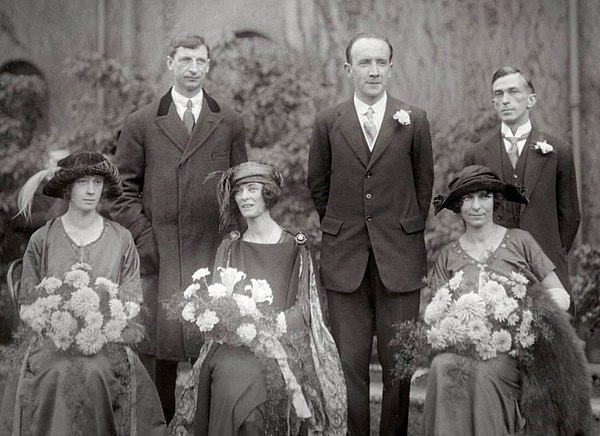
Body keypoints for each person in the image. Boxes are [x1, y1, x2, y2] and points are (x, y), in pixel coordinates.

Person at [111, 33, 247, 421]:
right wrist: (144, 238)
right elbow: (121, 190)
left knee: (213, 355)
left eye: (200, 61)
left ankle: (208, 427)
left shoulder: (228, 122)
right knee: (159, 361)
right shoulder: (142, 122)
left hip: (213, 256)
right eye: (185, 60)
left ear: (208, 66)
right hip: (161, 257)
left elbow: (239, 188)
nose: (193, 69)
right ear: (170, 62)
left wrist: (232, 244)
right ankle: (158, 429)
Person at [308, 32, 433, 435]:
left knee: (399, 365)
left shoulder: (414, 120)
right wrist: (347, 228)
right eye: (364, 63)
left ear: (391, 67)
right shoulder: (329, 122)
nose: (374, 70)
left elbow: (422, 185)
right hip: (346, 260)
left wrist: (397, 232)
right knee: (350, 364)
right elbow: (319, 185)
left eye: (381, 62)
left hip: (399, 259)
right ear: (348, 70)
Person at [169, 162, 347, 435]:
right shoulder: (230, 246)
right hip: (233, 347)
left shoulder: (294, 246)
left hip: (281, 348)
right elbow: (217, 306)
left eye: (252, 189)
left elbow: (305, 310)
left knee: (254, 401)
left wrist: (268, 327)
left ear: (269, 194)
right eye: (239, 191)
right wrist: (236, 324)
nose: (244, 197)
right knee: (229, 376)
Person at [0, 151, 167, 435]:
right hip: (53, 343)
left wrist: (106, 325)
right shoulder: (43, 239)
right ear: (68, 188)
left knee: (96, 373)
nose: (91, 190)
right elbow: (29, 299)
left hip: (105, 344)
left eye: (97, 182)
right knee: (54, 373)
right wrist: (54, 324)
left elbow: (130, 299)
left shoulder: (121, 239)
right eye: (83, 183)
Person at [424, 165, 591, 435]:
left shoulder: (520, 241)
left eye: (484, 196)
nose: (476, 206)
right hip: (465, 347)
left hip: (514, 351)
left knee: (484, 373)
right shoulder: (447, 256)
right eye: (467, 199)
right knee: (441, 366)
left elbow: (561, 296)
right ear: (458, 206)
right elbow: (438, 312)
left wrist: (526, 307)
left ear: (495, 201)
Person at [464, 66, 580, 296]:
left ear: (531, 99)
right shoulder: (476, 154)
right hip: (493, 269)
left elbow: (570, 215)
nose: (505, 100)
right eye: (498, 94)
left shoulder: (558, 150)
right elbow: (470, 212)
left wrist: (549, 254)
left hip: (547, 269)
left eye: (514, 92)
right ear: (494, 102)